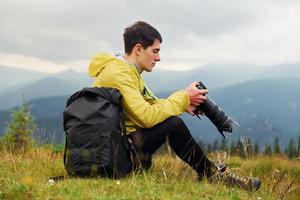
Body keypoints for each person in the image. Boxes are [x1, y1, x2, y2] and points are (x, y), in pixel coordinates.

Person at [88, 21, 261, 191]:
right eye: (155, 51)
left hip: (116, 148)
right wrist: (184, 97)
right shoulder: (120, 73)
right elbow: (146, 116)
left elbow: (152, 103)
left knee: (171, 121)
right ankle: (211, 174)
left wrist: (184, 103)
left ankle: (209, 172)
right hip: (112, 155)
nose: (158, 58)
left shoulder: (128, 71)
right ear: (139, 49)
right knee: (173, 125)